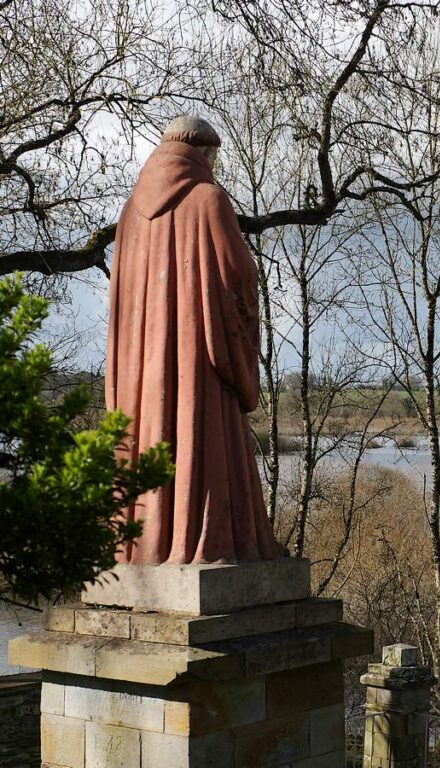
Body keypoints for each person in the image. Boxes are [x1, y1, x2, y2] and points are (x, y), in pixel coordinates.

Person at [105, 115, 282, 564]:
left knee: (150, 435)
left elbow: (122, 301)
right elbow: (238, 278)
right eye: (214, 157)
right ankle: (211, 543)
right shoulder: (209, 199)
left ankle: (142, 548)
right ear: (202, 153)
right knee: (204, 439)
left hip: (142, 375)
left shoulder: (129, 214)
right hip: (198, 364)